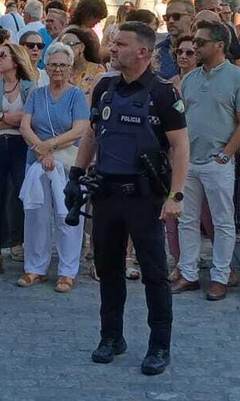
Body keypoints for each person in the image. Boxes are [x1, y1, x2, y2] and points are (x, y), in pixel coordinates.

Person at [74, 21, 188, 375]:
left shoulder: (163, 93)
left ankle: (159, 345)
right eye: (113, 42)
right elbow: (93, 135)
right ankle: (111, 336)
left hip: (144, 197)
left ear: (143, 51)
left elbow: (180, 146)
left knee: (154, 274)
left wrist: (175, 195)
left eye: (121, 43)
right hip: (107, 193)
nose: (113, 47)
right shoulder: (105, 87)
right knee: (108, 269)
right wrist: (76, 174)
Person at [175, 22, 240, 299]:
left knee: (222, 221)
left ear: (219, 45)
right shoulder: (189, 79)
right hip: (188, 161)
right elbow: (180, 118)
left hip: (217, 161)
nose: (194, 46)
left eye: (200, 42)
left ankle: (220, 276)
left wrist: (226, 154)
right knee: (187, 219)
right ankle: (188, 274)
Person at [19, 42, 91, 292]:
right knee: (36, 215)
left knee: (67, 215)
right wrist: (42, 150)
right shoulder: (36, 94)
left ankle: (67, 271)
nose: (58, 69)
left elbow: (80, 129)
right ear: (45, 67)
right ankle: (35, 267)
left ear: (71, 67)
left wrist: (49, 145)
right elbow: (25, 126)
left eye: (63, 64)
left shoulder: (76, 95)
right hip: (39, 161)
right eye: (53, 64)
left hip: (69, 163)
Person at [0, 41, 35, 273]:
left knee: (21, 196)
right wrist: (10, 117)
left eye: (2, 55)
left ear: (15, 61)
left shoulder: (28, 87)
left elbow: (29, 118)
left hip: (21, 145)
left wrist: (1, 116)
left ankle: (20, 241)